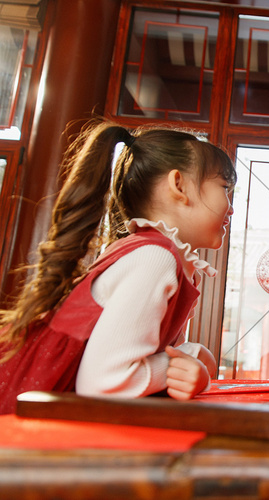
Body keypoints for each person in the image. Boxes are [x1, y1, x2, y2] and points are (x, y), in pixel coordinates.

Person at [0, 120, 236, 414]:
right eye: (224, 187)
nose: (231, 206)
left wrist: (189, 361)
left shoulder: (151, 252)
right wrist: (184, 360)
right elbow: (105, 382)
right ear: (179, 185)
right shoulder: (154, 257)